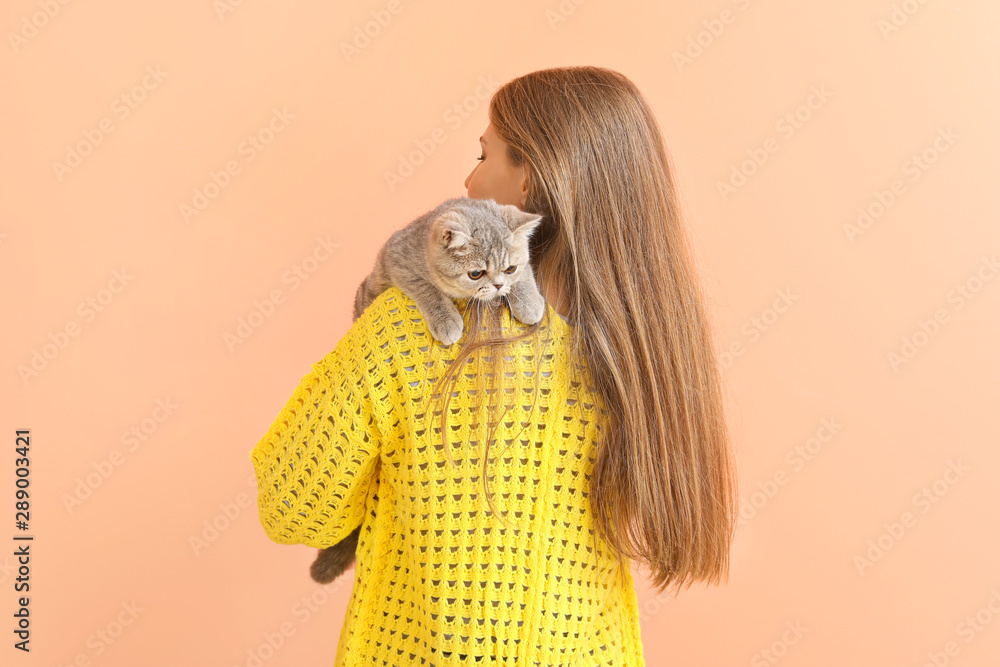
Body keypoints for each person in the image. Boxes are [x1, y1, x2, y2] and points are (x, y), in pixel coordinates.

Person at [251, 65, 739, 666]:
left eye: (484, 154)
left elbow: (291, 503)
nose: (470, 177)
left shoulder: (407, 330)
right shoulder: (648, 348)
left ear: (530, 178)